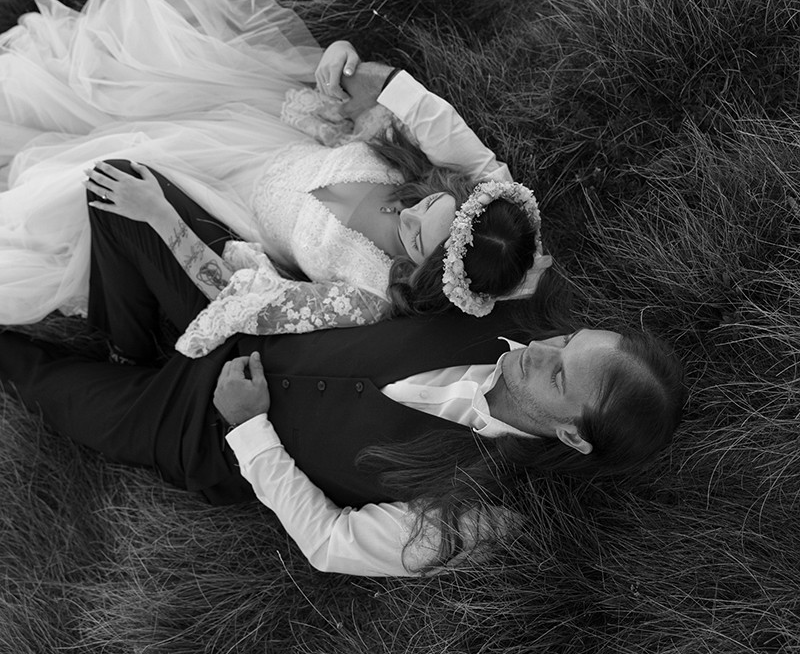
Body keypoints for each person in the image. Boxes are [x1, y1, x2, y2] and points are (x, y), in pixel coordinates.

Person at [0, 190, 685, 577]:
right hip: (243, 318)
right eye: (566, 339)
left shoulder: (475, 513)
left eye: (560, 371)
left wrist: (249, 428)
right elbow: (483, 210)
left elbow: (330, 544)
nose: (544, 349)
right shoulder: (503, 307)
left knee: (30, 371)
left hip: (200, 431)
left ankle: (134, 363)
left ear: (571, 433)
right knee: (118, 190)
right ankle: (135, 343)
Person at [0, 0, 547, 338]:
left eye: (413, 239)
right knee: (123, 88)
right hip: (256, 138)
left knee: (89, 175)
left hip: (229, 208)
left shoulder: (370, 296)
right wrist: (343, 56)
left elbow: (256, 306)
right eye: (427, 204)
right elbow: (431, 118)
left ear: (425, 274)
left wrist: (160, 215)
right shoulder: (422, 173)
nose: (408, 213)